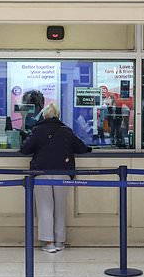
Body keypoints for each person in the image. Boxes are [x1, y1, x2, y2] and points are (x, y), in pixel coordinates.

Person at [19, 103, 92, 253]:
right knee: (60, 207)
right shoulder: (66, 130)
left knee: (45, 207)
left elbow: (25, 149)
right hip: (63, 171)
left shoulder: (38, 130)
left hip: (41, 172)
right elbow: (82, 148)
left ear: (44, 116)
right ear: (58, 116)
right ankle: (60, 241)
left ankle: (49, 243)